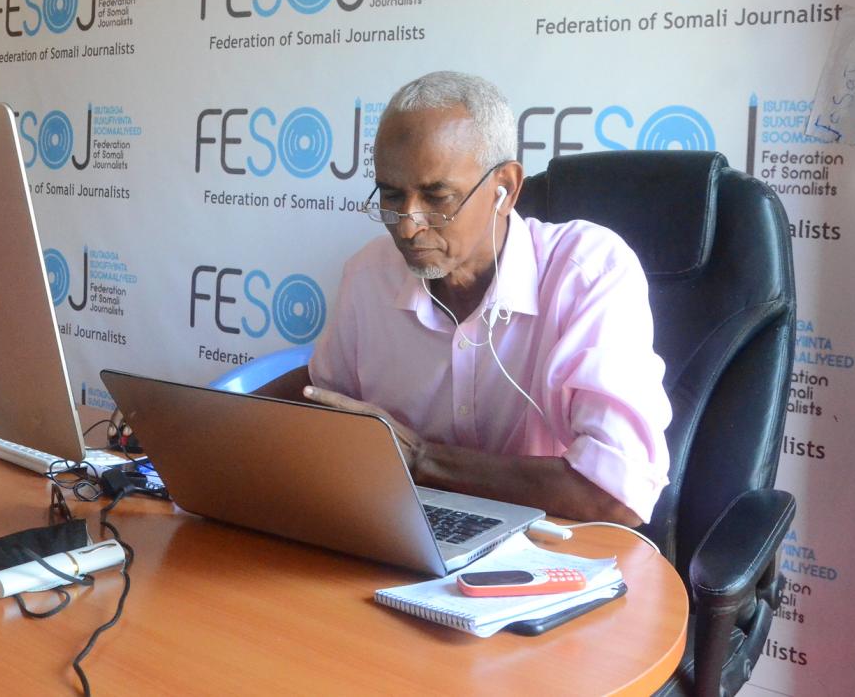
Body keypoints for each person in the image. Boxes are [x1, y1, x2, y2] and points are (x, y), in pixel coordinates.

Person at [265, 71, 671, 526]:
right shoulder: (369, 275)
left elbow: (617, 494)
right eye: (392, 195)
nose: (408, 226)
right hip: (396, 528)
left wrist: (421, 459)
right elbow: (327, 403)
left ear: (506, 189)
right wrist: (220, 425)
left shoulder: (587, 272)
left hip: (548, 544)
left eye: (437, 196)